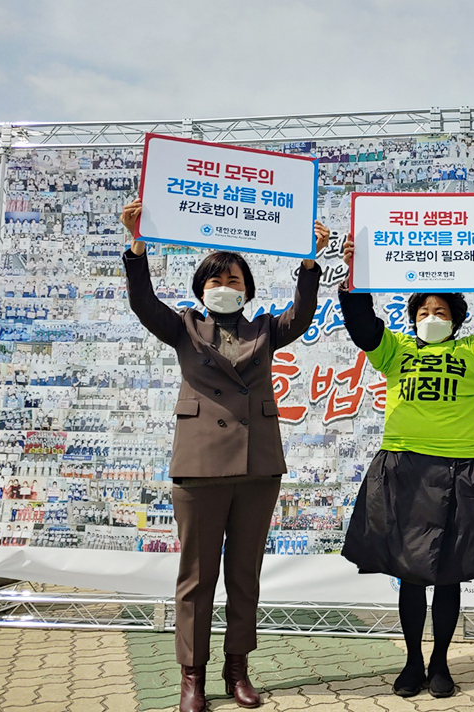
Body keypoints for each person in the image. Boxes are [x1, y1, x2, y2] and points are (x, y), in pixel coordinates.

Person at [120, 198, 328, 712]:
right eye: (215, 280)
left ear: (247, 289)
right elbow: (144, 304)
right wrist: (136, 245)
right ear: (201, 289)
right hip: (199, 466)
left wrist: (308, 262)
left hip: (257, 467)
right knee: (196, 577)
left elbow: (301, 314)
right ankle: (192, 678)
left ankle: (239, 672)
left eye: (233, 279)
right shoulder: (184, 327)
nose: (224, 286)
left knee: (243, 573)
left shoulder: (265, 330)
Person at [336, 233, 474, 699]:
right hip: (405, 469)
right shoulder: (397, 351)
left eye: (441, 312)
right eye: (423, 312)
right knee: (411, 573)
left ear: (457, 320)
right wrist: (355, 277)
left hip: (464, 470)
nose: (431, 318)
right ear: (413, 319)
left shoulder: (473, 353)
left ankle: (440, 661)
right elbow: (363, 326)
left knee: (449, 573)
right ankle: (411, 660)